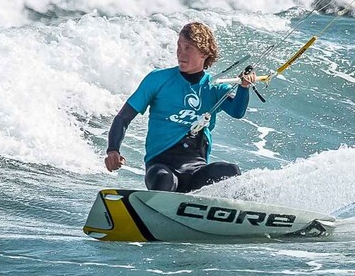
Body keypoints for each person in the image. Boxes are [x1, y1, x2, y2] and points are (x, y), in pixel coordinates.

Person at [104, 22, 256, 193]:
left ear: (204, 52)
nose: (180, 53)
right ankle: (153, 214)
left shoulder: (214, 88)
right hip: (161, 165)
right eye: (179, 47)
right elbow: (123, 118)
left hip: (197, 170)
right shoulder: (158, 79)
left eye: (188, 48)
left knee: (230, 171)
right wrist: (113, 150)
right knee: (165, 180)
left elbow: (237, 111)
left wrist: (243, 88)